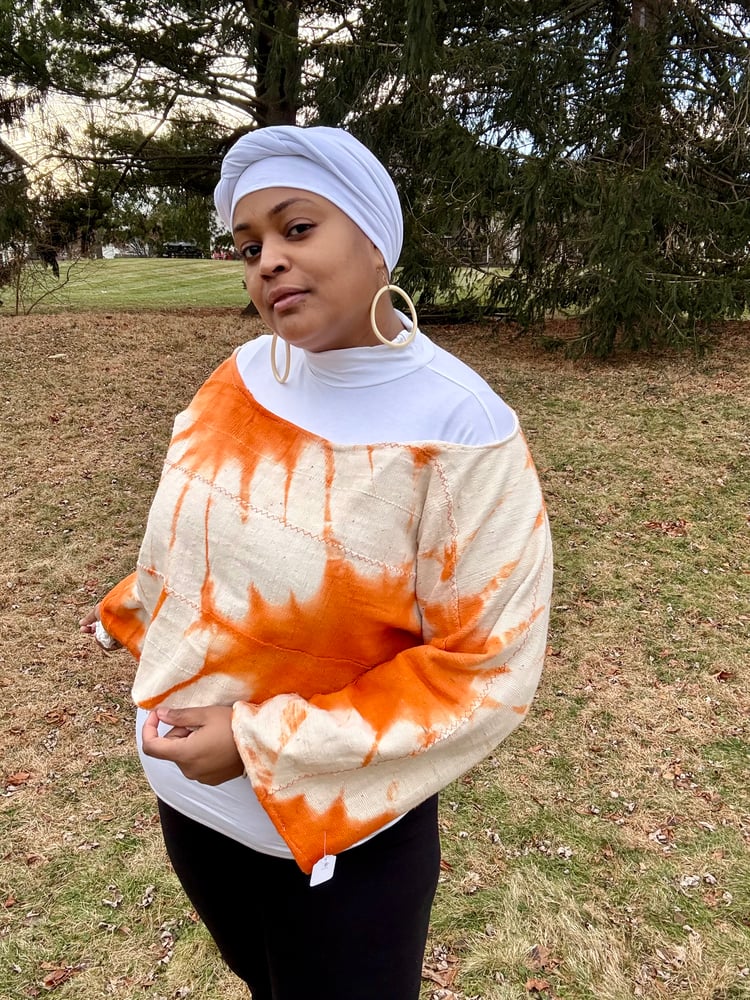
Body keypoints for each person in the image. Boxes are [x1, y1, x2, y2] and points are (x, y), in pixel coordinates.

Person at [80, 125, 553, 1000]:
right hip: (191, 808)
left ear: (376, 239)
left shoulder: (461, 427)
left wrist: (257, 744)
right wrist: (133, 609)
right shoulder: (242, 374)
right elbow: (194, 533)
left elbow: (485, 672)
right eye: (248, 245)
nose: (267, 261)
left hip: (336, 842)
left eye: (297, 229)